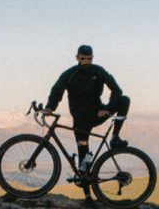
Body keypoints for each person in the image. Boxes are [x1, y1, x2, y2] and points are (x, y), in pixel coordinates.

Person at [44, 45, 130, 175]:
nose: (86, 62)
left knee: (124, 100)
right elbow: (57, 91)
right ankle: (87, 193)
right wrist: (50, 107)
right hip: (81, 121)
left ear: (92, 58)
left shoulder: (98, 72)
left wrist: (108, 109)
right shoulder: (69, 74)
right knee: (84, 164)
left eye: (89, 59)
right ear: (77, 58)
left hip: (97, 114)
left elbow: (116, 90)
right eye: (83, 58)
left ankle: (115, 138)